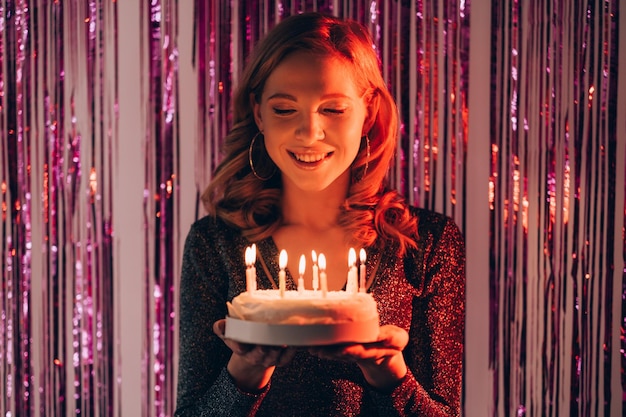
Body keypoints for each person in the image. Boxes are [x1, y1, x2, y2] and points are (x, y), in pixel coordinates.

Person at [175, 12, 465, 417]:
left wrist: (390, 373)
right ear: (259, 113)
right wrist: (246, 370)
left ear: (367, 112)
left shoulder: (427, 243)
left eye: (332, 110)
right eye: (284, 110)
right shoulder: (215, 243)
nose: (309, 133)